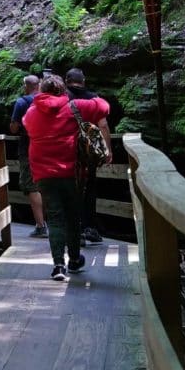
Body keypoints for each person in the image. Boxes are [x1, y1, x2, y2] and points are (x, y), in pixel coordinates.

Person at [20, 77, 103, 281]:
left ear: (41, 90)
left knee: (55, 218)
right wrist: (86, 97)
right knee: (73, 217)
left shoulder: (30, 113)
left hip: (43, 174)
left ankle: (59, 266)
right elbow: (103, 107)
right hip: (71, 173)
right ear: (62, 90)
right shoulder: (75, 107)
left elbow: (26, 127)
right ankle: (74, 260)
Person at [64, 68, 117, 246]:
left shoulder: (64, 98)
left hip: (69, 151)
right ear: (83, 81)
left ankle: (75, 230)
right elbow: (103, 125)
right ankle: (90, 228)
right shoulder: (93, 98)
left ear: (66, 80)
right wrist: (107, 149)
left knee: (72, 190)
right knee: (90, 188)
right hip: (89, 152)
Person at [8, 75, 48, 238]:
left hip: (30, 148)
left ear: (26, 86)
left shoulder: (22, 102)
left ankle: (40, 225)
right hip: (50, 147)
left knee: (31, 186)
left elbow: (14, 128)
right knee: (48, 183)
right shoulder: (50, 99)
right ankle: (57, 221)